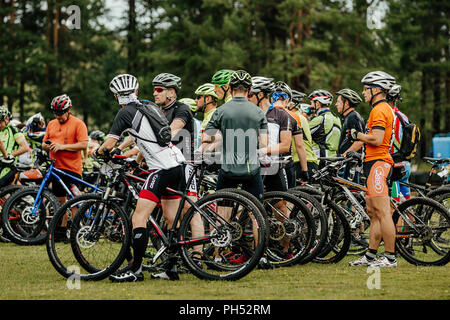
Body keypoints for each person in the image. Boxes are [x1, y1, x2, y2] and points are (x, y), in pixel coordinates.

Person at [103, 74, 197, 282]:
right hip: (178, 163)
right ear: (136, 92)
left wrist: (99, 153)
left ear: (116, 96)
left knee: (139, 218)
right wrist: (136, 158)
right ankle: (171, 268)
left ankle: (135, 270)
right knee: (172, 221)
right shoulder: (147, 107)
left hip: (161, 169)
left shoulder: (125, 113)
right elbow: (148, 139)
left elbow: (107, 145)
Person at [347, 70, 397, 268]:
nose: (363, 92)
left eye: (366, 88)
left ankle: (390, 258)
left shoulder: (379, 110)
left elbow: (376, 139)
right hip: (373, 163)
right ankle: (370, 256)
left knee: (383, 212)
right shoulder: (380, 109)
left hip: (378, 163)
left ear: (376, 89)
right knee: (373, 212)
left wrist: (357, 135)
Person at [200, 70, 268, 202]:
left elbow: (206, 138)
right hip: (251, 169)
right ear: (249, 90)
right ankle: (255, 222)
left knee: (223, 213)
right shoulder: (258, 112)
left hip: (227, 169)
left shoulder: (220, 111)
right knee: (256, 213)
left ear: (230, 88)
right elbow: (264, 143)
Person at [42, 95, 89, 205]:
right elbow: (43, 144)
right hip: (56, 169)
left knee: (74, 203)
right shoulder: (51, 123)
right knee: (60, 202)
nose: (58, 116)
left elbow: (84, 144)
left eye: (60, 113)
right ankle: (62, 223)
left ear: (68, 110)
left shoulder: (78, 123)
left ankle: (75, 222)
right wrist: (48, 146)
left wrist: (62, 147)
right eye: (55, 113)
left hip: (72, 169)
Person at [287, 90, 319, 186]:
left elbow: (299, 144)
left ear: (292, 104)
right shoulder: (301, 117)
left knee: (298, 198)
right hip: (309, 159)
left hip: (301, 161)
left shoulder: (294, 117)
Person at [387, 84, 411, 202]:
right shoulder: (403, 116)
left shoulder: (389, 116)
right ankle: (415, 221)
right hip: (405, 164)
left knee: (395, 205)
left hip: (394, 165)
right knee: (407, 203)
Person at [335, 88, 365, 181]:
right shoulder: (348, 117)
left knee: (350, 191)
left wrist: (343, 157)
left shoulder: (353, 117)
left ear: (346, 103)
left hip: (351, 163)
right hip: (348, 162)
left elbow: (359, 142)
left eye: (338, 102)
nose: (336, 104)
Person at [308, 90, 342, 162]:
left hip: (320, 159)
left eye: (311, 103)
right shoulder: (336, 118)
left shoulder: (320, 119)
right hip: (333, 158)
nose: (310, 106)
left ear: (317, 103)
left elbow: (301, 135)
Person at [0, 105, 29, 188]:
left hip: (9, 166)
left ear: (6, 119)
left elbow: (25, 147)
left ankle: (26, 197)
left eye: (0, 122)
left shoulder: (14, 130)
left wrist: (11, 155)